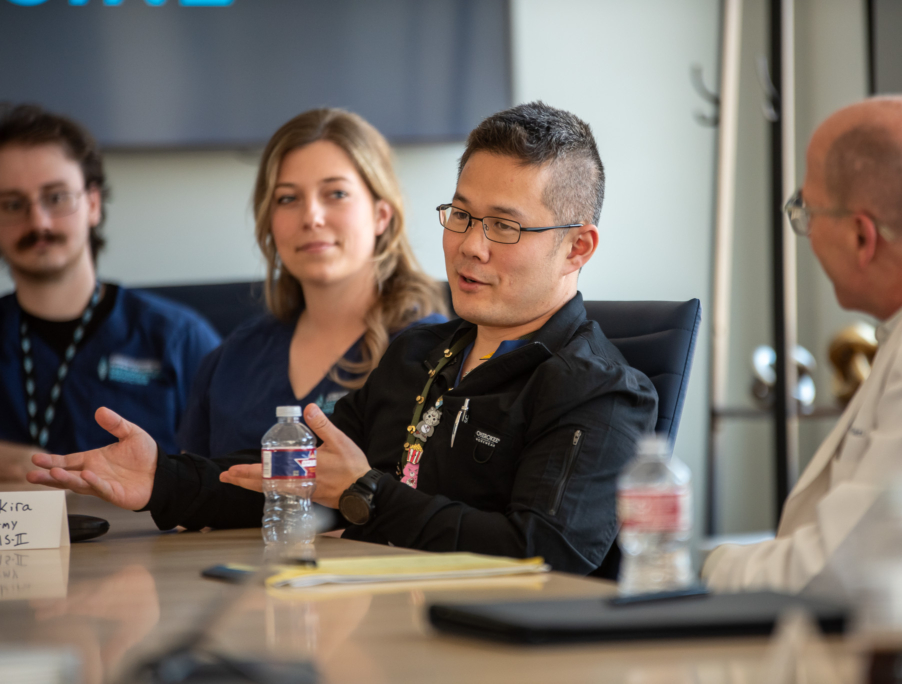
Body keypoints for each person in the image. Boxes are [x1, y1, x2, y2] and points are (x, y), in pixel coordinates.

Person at [28, 102, 658, 576]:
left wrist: (367, 496)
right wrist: (162, 480)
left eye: (504, 226)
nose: (471, 244)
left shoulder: (600, 394)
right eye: (462, 215)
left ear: (577, 247)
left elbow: (547, 556)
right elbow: (303, 475)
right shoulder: (419, 354)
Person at [702, 95, 902, 648]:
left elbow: (841, 577)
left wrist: (697, 568)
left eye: (805, 212)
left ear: (861, 236)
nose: (803, 231)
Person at [175, 109, 447, 458]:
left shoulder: (432, 358)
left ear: (381, 214)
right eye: (288, 198)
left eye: (336, 194)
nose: (311, 217)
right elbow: (190, 498)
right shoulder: (230, 359)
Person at [0, 104, 220, 478]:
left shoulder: (178, 338)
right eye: (11, 204)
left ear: (93, 204)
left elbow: (234, 471)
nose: (38, 221)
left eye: (56, 198)